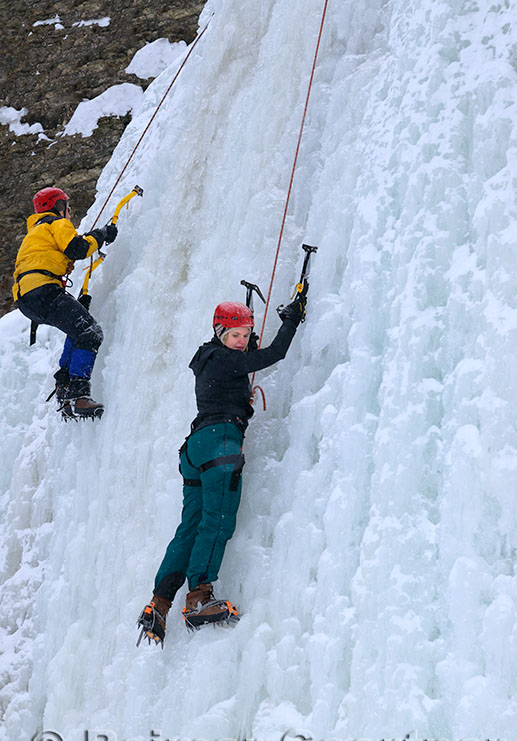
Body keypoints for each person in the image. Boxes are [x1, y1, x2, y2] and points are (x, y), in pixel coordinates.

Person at [137, 294, 306, 644]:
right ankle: (199, 597)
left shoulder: (209, 358)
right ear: (219, 333)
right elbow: (273, 355)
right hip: (220, 442)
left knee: (191, 525)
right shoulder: (226, 359)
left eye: (246, 334)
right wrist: (291, 321)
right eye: (235, 335)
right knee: (218, 520)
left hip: (196, 447)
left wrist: (246, 341)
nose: (241, 341)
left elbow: (240, 360)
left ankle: (160, 603)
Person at [12, 186, 118, 418]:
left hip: (27, 298)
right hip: (43, 290)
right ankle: (79, 395)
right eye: (66, 206)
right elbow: (77, 248)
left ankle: (65, 388)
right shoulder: (55, 223)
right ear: (58, 207)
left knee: (77, 331)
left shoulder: (34, 234)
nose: (69, 211)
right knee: (91, 333)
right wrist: (102, 235)